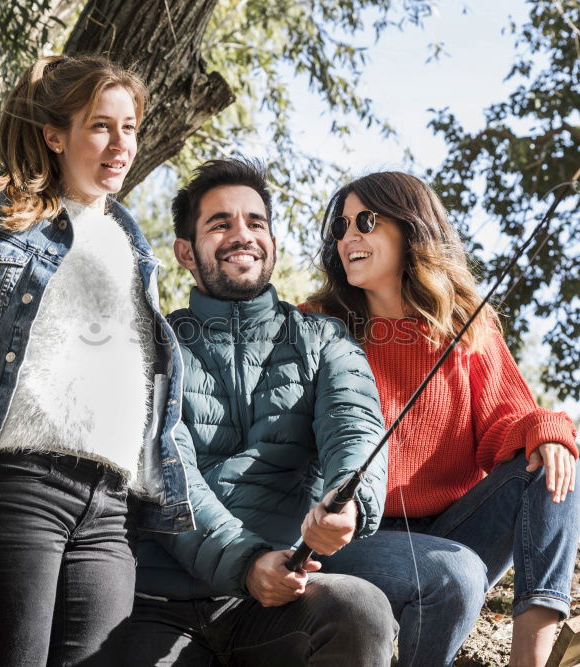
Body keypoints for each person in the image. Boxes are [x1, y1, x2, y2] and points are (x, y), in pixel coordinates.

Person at [0, 57, 194, 666]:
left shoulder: (132, 240)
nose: (121, 144)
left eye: (130, 128)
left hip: (111, 506)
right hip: (22, 487)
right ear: (56, 134)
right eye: (101, 126)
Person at [301, 171, 580, 667]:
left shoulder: (467, 322)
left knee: (556, 465)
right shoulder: (316, 324)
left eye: (365, 221)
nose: (348, 238)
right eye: (340, 228)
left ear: (411, 229)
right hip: (352, 535)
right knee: (457, 574)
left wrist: (545, 431)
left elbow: (506, 422)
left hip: (453, 530)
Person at [123, 158, 397, 666]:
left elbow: (354, 426)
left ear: (272, 241)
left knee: (360, 608)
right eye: (220, 223)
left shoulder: (325, 338)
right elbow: (166, 471)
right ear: (186, 251)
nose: (241, 235)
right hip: (159, 603)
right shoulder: (153, 346)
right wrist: (247, 562)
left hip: (282, 599)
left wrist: (347, 502)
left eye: (255, 222)